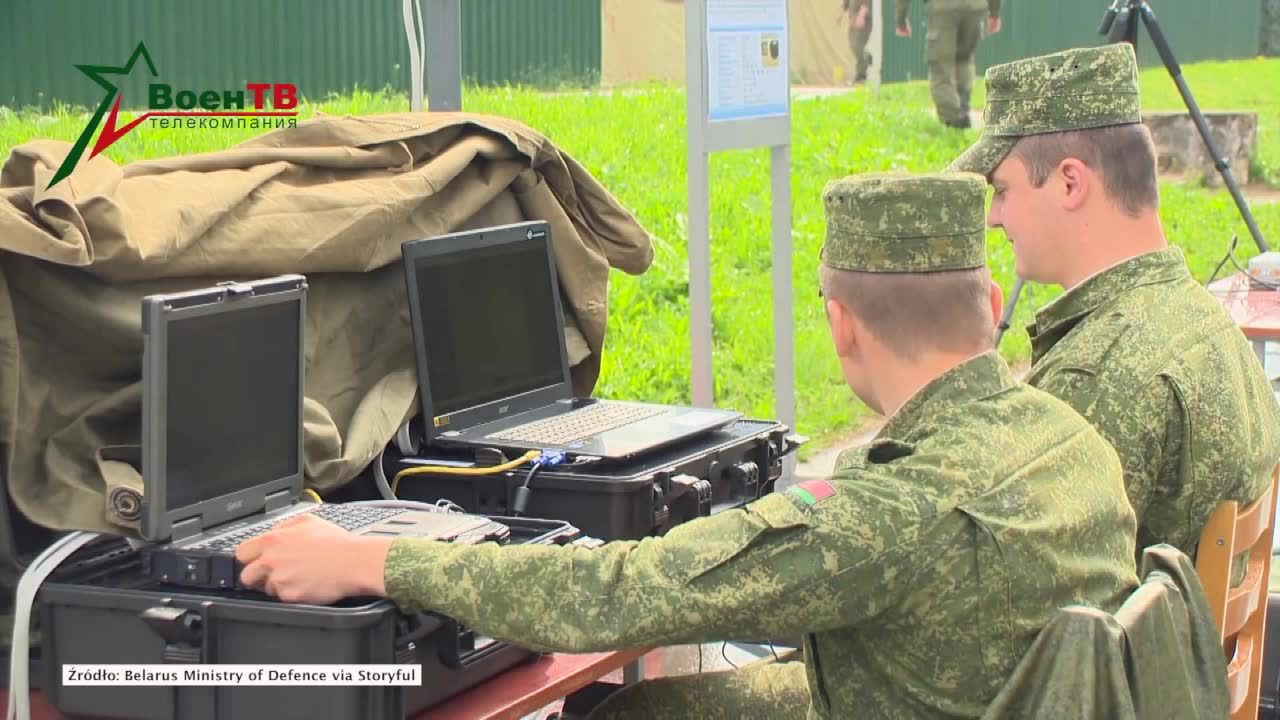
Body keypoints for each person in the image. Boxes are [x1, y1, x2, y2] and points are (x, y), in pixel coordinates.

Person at [236, 172, 1140, 719]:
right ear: (991, 306)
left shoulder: (889, 516)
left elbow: (617, 596)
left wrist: (373, 560)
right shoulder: (1072, 439)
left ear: (842, 325)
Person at [949, 43, 1280, 568]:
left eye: (1003, 190)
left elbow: (1010, 584)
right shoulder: (1202, 316)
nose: (993, 216)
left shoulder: (1100, 378)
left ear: (1070, 182)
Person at [894, 0, 1002, 128]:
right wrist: (995, 13)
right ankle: (962, 111)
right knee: (964, 59)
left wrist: (901, 19)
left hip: (943, 8)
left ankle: (952, 121)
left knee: (941, 65)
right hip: (975, 8)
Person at [838, 0, 873, 84]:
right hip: (853, 21)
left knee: (859, 46)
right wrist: (840, 15)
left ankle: (862, 74)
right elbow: (846, 3)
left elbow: (866, 3)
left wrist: (861, 16)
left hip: (863, 21)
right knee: (853, 46)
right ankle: (863, 70)